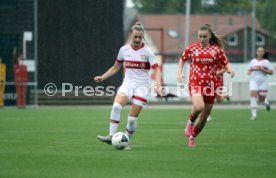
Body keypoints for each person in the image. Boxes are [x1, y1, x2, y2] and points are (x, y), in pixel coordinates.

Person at [94, 22, 163, 148]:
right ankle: (111, 135)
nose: (137, 39)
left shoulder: (147, 52)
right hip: (127, 84)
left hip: (142, 87)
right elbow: (116, 67)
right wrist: (102, 77)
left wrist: (158, 85)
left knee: (131, 119)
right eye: (135, 36)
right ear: (130, 35)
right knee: (116, 107)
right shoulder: (124, 50)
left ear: (142, 37)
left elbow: (157, 69)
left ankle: (126, 141)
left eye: (140, 37)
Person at [177, 24, 234, 147]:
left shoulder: (217, 50)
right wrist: (179, 73)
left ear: (209, 37)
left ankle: (192, 137)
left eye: (204, 36)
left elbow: (226, 62)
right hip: (195, 82)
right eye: (200, 36)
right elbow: (182, 59)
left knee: (204, 117)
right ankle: (190, 123)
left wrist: (230, 70)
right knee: (199, 106)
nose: (201, 39)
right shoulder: (192, 48)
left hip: (211, 86)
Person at [248, 46, 273, 120]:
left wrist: (264, 70)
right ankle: (254, 115)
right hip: (254, 81)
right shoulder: (252, 61)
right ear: (256, 52)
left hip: (263, 81)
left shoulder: (266, 62)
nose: (260, 52)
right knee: (253, 96)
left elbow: (271, 72)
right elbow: (249, 70)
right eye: (259, 51)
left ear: (263, 53)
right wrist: (249, 72)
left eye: (262, 51)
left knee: (261, 99)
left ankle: (265, 102)